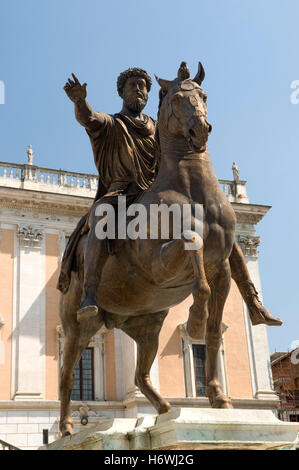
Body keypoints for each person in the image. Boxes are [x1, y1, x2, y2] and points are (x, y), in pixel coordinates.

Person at [57, 68, 282, 327]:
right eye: (133, 85)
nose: (139, 89)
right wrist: (79, 101)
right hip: (122, 193)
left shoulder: (156, 126)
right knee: (100, 216)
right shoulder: (113, 123)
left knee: (219, 229)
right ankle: (90, 292)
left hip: (156, 192)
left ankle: (253, 302)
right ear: (122, 91)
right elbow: (89, 119)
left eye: (144, 86)